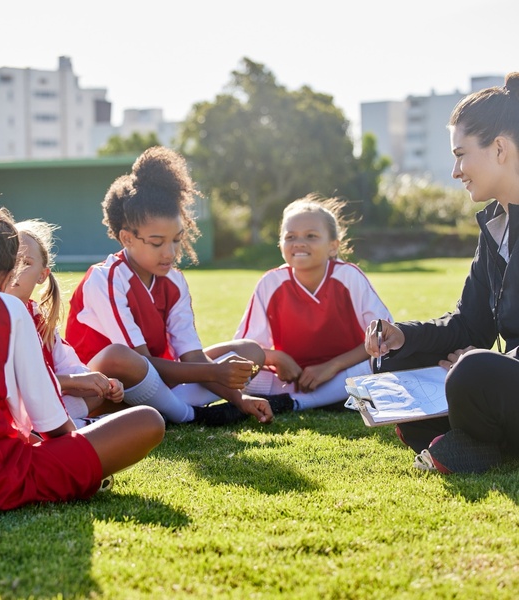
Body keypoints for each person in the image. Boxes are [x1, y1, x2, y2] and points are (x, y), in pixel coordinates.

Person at [0, 197, 164, 510]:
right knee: (147, 421)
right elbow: (53, 426)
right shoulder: (7, 308)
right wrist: (82, 462)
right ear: (8, 271)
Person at [365, 71, 519, 474]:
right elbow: (470, 323)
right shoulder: (496, 227)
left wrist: (480, 359)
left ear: (500, 148)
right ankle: (472, 440)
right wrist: (402, 336)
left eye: (460, 154)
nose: (456, 171)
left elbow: (479, 355)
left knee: (475, 371)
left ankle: (475, 441)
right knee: (396, 361)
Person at [65, 146, 273, 427]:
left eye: (176, 239)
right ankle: (188, 414)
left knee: (249, 351)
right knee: (121, 358)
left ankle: (161, 408)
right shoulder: (106, 279)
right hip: (104, 387)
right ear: (127, 238)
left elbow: (191, 355)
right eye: (156, 242)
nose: (170, 253)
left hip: (155, 382)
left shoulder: (174, 281)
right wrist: (214, 374)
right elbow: (139, 362)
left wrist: (239, 399)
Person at [234, 194, 392, 412]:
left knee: (384, 361)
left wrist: (332, 366)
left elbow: (384, 337)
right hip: (293, 378)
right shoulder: (270, 283)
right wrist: (278, 358)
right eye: (290, 237)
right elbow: (244, 349)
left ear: (333, 246)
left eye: (311, 236)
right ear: (280, 244)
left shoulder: (348, 276)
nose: (299, 243)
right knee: (238, 369)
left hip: (346, 372)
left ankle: (297, 403)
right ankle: (329, 398)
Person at [7, 218, 146, 427]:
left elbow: (66, 364)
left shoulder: (39, 318)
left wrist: (97, 381)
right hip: (13, 408)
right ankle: (81, 427)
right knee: (141, 421)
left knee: (96, 392)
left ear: (42, 276)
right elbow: (18, 383)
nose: (16, 270)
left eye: (26, 263)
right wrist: (72, 381)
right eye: (10, 261)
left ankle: (79, 424)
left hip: (43, 403)